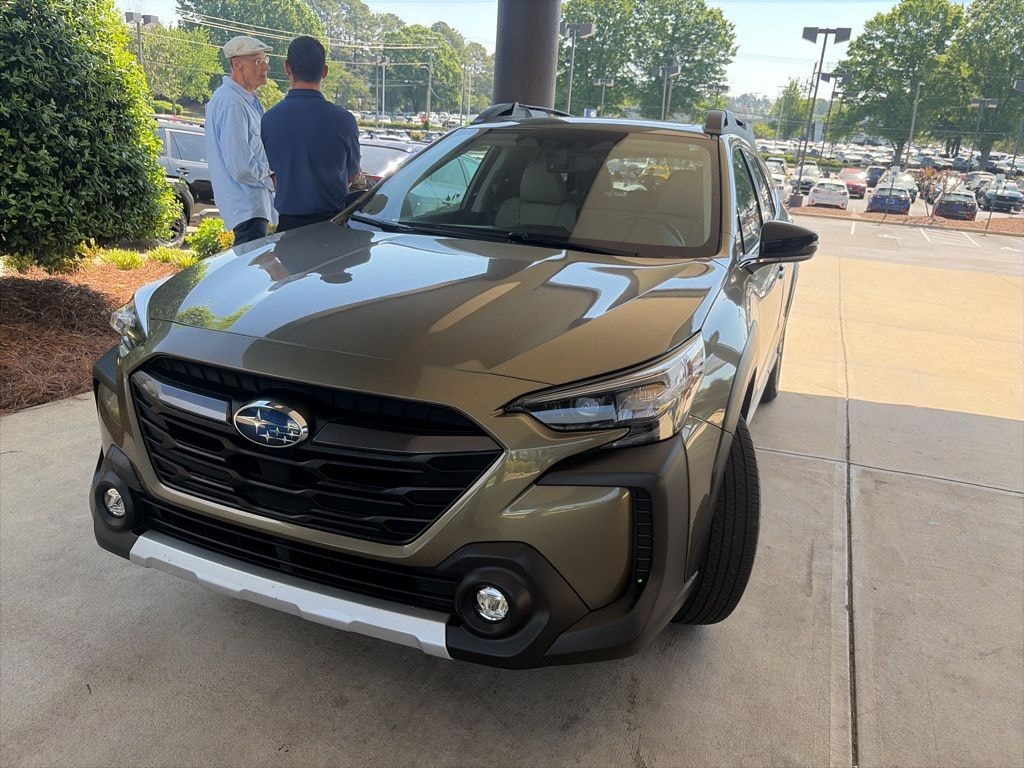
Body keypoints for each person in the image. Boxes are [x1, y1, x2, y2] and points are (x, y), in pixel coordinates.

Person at [261, 36, 362, 232]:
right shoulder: (344, 120)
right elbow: (353, 173)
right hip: (333, 227)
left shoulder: (269, 119)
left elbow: (275, 172)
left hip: (287, 228)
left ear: (287, 68)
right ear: (324, 72)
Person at [205, 35, 277, 246]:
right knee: (251, 274)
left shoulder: (245, 100)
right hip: (247, 208)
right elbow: (240, 167)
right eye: (258, 61)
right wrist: (272, 172)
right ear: (237, 65)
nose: (265, 66)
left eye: (266, 60)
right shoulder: (232, 103)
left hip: (252, 208)